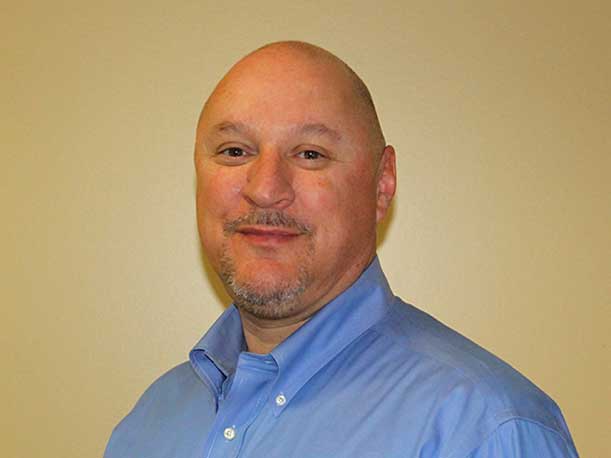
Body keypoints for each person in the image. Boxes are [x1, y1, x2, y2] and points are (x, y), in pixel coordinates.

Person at [104, 42, 579, 457]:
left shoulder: (483, 431)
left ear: (382, 183)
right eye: (234, 151)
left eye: (310, 154)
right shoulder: (148, 424)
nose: (265, 189)